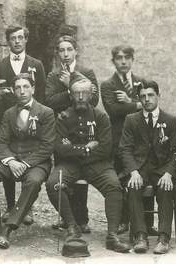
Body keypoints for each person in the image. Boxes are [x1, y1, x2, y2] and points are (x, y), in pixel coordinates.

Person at [46, 73, 131, 253]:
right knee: (53, 184)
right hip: (70, 166)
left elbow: (106, 148)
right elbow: (60, 149)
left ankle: (112, 236)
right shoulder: (63, 117)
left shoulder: (101, 117)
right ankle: (71, 226)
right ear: (70, 95)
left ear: (91, 95)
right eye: (77, 93)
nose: (81, 97)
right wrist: (87, 148)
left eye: (85, 93)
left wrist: (74, 148)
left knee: (114, 186)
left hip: (98, 165)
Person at [0, 73, 55, 249]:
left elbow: (47, 146)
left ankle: (8, 227)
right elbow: (1, 142)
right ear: (13, 91)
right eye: (18, 88)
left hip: (37, 162)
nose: (22, 91)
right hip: (12, 160)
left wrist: (26, 164)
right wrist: (11, 161)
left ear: (33, 89)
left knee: (34, 181)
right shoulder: (9, 113)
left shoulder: (46, 112)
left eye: (26, 87)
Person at [118, 80, 176, 254]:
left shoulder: (170, 120)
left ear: (158, 96)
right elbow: (124, 148)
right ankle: (140, 236)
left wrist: (169, 173)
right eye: (143, 96)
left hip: (162, 169)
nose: (146, 99)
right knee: (132, 186)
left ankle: (163, 238)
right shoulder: (131, 120)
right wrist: (133, 172)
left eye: (150, 95)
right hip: (139, 169)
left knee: (165, 187)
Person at [45, 35, 100, 234]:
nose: (66, 54)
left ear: (76, 51)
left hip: (84, 130)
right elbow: (50, 101)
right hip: (63, 131)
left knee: (81, 170)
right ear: (58, 53)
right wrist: (72, 90)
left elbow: (93, 102)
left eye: (69, 49)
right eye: (62, 50)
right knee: (64, 173)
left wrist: (71, 83)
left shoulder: (86, 72)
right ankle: (67, 218)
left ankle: (82, 218)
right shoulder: (53, 75)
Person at [0, 25, 47, 225]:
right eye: (13, 38)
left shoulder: (37, 65)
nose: (17, 41)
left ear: (26, 40)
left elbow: (41, 95)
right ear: (8, 41)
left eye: (20, 38)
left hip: (31, 120)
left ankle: (27, 207)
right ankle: (9, 205)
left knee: (28, 161)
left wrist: (37, 120)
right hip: (8, 120)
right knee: (11, 160)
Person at [100, 44, 154, 234]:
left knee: (143, 174)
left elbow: (149, 106)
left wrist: (131, 102)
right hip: (119, 140)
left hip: (141, 139)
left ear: (132, 59)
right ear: (113, 61)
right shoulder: (107, 85)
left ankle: (148, 223)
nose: (123, 61)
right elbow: (113, 111)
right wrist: (137, 105)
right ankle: (123, 220)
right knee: (122, 179)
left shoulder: (142, 82)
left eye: (127, 58)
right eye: (119, 58)